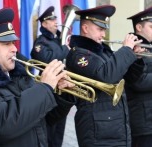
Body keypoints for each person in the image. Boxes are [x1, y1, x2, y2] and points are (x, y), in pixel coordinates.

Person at [0, 8, 76, 147]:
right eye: (6, 44)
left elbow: (44, 119)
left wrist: (62, 95)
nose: (14, 49)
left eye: (13, 43)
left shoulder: (18, 77)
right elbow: (4, 125)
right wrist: (44, 88)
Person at [65, 5, 145, 147]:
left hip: (116, 129)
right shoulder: (78, 54)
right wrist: (126, 49)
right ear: (85, 28)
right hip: (97, 133)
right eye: (100, 29)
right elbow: (106, 76)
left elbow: (130, 79)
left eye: (104, 30)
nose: (103, 34)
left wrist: (135, 58)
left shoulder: (104, 52)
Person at [31, 6, 70, 147]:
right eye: (51, 19)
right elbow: (47, 60)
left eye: (55, 19)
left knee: (59, 131)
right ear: (44, 24)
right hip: (50, 91)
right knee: (50, 131)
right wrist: (65, 49)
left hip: (63, 89)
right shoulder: (40, 42)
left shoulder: (58, 40)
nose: (55, 21)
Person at [124, 7, 152, 147]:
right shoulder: (133, 49)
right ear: (139, 27)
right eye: (151, 26)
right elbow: (137, 81)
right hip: (143, 120)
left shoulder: (150, 47)